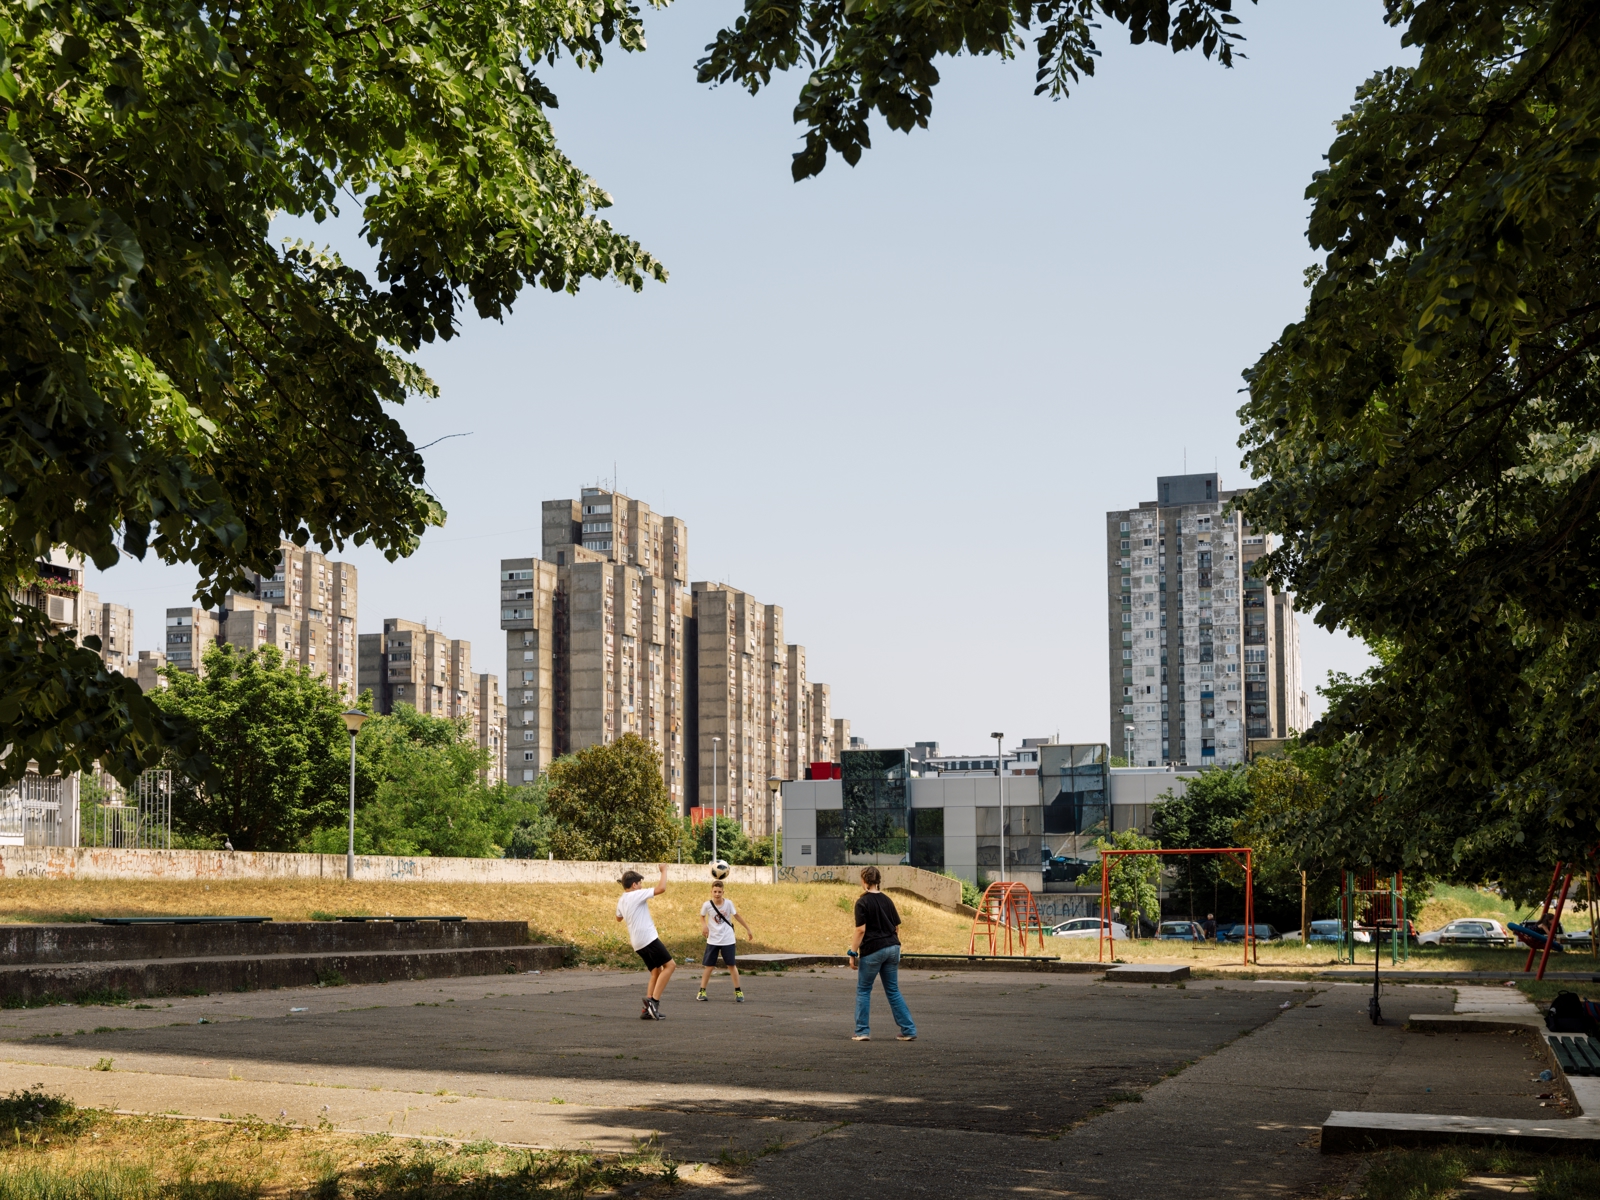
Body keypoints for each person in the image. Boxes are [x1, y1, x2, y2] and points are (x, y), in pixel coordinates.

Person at [847, 866, 917, 1042]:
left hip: (873, 950)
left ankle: (862, 1031)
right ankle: (908, 1030)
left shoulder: (862, 902)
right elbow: (896, 927)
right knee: (892, 990)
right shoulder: (887, 900)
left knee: (864, 990)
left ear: (864, 880)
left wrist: (852, 952)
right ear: (878, 881)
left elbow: (860, 930)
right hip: (893, 947)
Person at [616, 865, 675, 1019]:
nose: (641, 886)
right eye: (640, 883)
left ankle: (647, 1010)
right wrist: (664, 871)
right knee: (670, 966)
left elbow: (618, 918)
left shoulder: (622, 899)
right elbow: (661, 888)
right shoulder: (637, 894)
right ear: (634, 885)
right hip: (648, 938)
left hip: (637, 943)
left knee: (656, 971)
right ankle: (653, 1002)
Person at [697, 880, 754, 1002]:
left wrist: (748, 929)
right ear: (711, 892)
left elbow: (737, 916)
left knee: (731, 965)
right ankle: (702, 991)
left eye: (719, 892)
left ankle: (738, 991)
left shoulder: (728, 904)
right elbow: (702, 916)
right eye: (715, 891)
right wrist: (704, 926)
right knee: (709, 966)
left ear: (723, 892)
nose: (717, 894)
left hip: (727, 939)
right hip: (713, 940)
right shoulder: (707, 905)